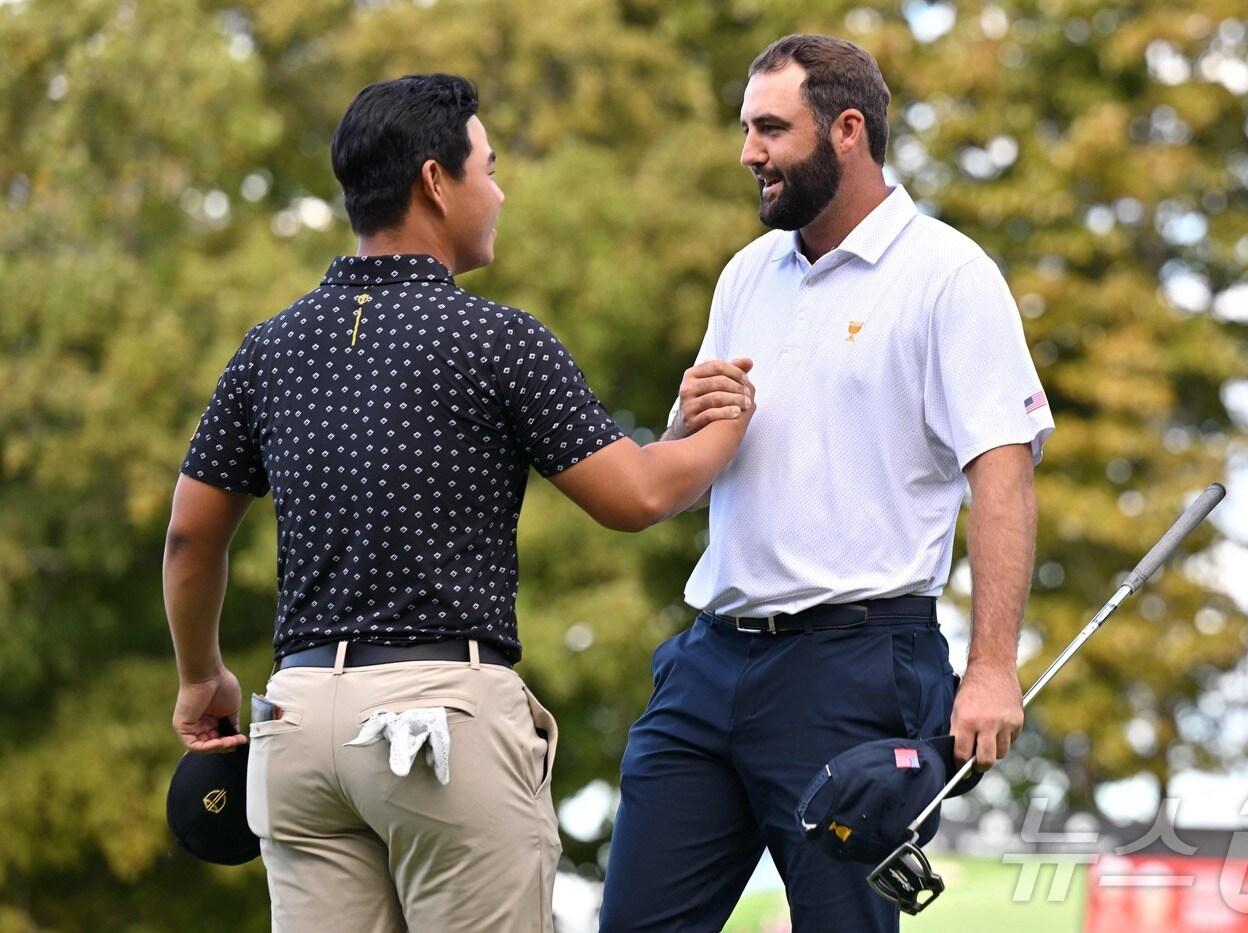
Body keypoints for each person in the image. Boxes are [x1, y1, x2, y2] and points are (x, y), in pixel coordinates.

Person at [162, 73, 754, 933]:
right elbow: (639, 494)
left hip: (296, 724)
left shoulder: (270, 348)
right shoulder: (495, 340)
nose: (499, 191)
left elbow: (189, 537)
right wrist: (726, 425)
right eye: (490, 168)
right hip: (438, 724)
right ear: (436, 182)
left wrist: (200, 675)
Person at [598, 35, 1055, 931]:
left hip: (857, 670)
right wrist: (684, 428)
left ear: (848, 130)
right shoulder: (746, 274)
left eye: (771, 129)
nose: (749, 152)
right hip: (709, 661)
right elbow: (685, 479)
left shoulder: (950, 276)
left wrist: (992, 669)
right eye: (746, 128)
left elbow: (1003, 479)